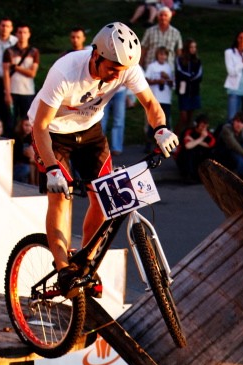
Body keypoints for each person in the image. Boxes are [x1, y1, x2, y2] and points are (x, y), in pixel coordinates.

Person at [28, 22, 179, 298]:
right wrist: (51, 169)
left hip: (90, 131)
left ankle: (85, 262)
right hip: (53, 132)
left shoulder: (125, 67)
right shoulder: (65, 72)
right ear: (96, 55)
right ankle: (63, 270)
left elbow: (150, 103)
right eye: (112, 68)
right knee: (61, 197)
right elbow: (40, 126)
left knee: (105, 198)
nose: (116, 76)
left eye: (121, 71)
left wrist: (161, 129)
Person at [3, 24, 39, 127]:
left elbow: (32, 73)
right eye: (20, 32)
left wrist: (15, 67)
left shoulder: (34, 52)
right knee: (10, 122)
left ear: (29, 34)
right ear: (16, 34)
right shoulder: (9, 51)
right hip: (13, 91)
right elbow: (6, 73)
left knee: (28, 123)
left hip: (28, 91)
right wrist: (7, 93)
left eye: (25, 32)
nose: (22, 35)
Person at [145, 46, 174, 150]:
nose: (162, 56)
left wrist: (167, 78)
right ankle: (149, 144)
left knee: (166, 122)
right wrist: (157, 81)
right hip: (155, 98)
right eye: (161, 54)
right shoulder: (152, 66)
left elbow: (172, 84)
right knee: (152, 123)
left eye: (164, 55)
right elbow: (146, 80)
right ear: (157, 55)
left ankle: (166, 144)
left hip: (166, 99)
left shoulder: (168, 67)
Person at [174, 113, 216, 183]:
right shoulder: (189, 131)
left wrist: (195, 140)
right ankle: (189, 175)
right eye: (202, 126)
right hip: (184, 158)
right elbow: (188, 146)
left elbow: (210, 145)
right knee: (189, 153)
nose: (203, 128)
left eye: (205, 126)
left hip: (199, 158)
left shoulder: (208, 134)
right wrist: (201, 138)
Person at [140, 6, 183, 71]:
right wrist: (140, 65)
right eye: (161, 15)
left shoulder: (176, 33)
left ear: (169, 18)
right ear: (157, 17)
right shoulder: (149, 31)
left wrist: (179, 68)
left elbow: (179, 52)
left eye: (165, 15)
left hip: (168, 67)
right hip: (150, 66)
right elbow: (143, 49)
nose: (163, 17)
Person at [175, 38, 203, 133]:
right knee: (183, 118)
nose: (193, 49)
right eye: (191, 47)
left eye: (195, 47)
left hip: (194, 91)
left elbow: (199, 75)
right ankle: (173, 137)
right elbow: (180, 72)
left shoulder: (198, 61)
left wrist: (191, 77)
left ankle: (186, 136)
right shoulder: (179, 59)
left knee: (190, 119)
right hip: (183, 91)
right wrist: (190, 76)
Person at [101, 85, 127, 155]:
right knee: (101, 120)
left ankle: (116, 147)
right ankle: (100, 147)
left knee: (119, 121)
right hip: (104, 90)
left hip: (120, 89)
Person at [13, 118, 37, 183]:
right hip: (18, 164)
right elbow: (16, 156)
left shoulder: (31, 137)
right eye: (26, 125)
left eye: (30, 125)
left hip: (30, 162)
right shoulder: (16, 137)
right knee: (26, 168)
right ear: (21, 125)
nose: (28, 128)